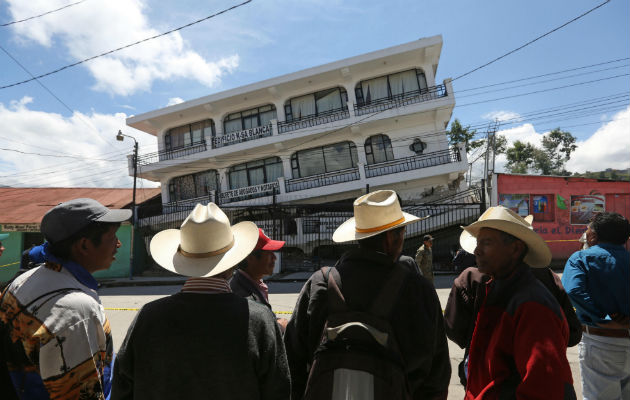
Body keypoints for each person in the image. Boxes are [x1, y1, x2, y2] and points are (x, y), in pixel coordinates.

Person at [112, 203, 290, 400]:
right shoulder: (259, 320)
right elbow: (278, 389)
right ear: (231, 263)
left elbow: (123, 386)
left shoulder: (148, 317)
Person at [284, 190, 451, 400]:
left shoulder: (320, 284)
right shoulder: (417, 290)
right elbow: (437, 377)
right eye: (401, 232)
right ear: (391, 237)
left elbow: (291, 364)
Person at [0, 198, 130, 399]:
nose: (118, 244)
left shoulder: (26, 279)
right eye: (112, 237)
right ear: (84, 245)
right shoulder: (76, 310)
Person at [459, 205, 575, 399]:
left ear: (515, 248)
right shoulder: (498, 289)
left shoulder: (532, 305)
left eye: (486, 243)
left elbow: (543, 387)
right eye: (478, 243)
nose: (477, 251)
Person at [562, 212, 630, 400]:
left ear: (592, 236)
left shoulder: (581, 259)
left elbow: (573, 291)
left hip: (601, 342)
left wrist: (603, 319)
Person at [230, 228, 288, 331]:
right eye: (269, 253)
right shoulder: (243, 297)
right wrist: (280, 326)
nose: (274, 258)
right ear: (250, 258)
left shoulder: (251, 284)